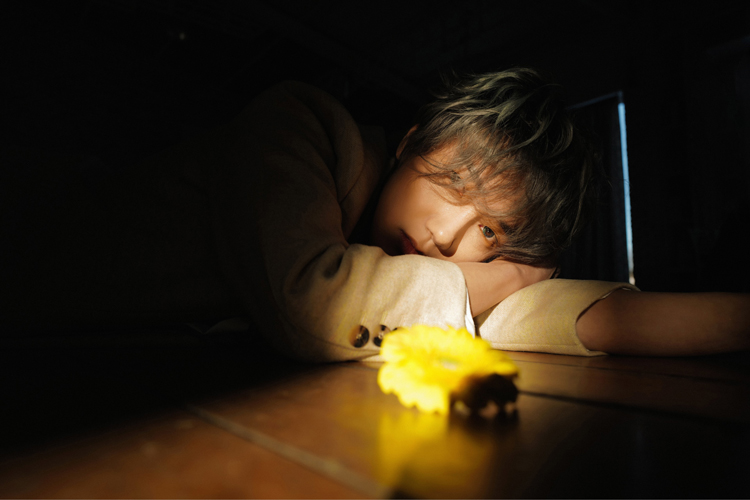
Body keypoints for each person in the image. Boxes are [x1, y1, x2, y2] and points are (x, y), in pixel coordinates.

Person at [2, 68, 748, 360]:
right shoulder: (297, 128)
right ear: (409, 142)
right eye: (453, 181)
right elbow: (311, 300)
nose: (448, 237)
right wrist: (489, 280)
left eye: (491, 232)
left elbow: (541, 316)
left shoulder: (415, 272)